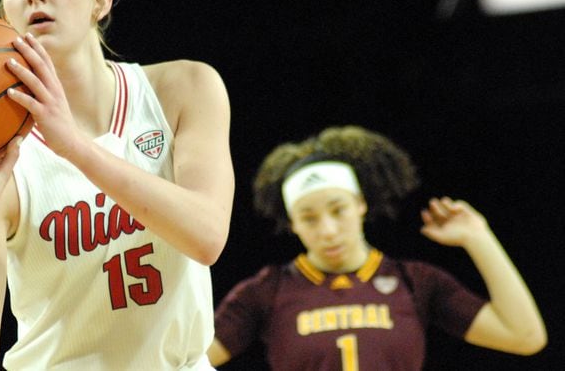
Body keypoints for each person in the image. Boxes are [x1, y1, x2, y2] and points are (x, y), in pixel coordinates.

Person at [0, 0, 234, 370]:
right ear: (5, 17)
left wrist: (75, 147)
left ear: (100, 1)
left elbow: (206, 237)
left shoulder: (184, 88)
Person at [207, 126, 546, 370]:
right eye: (308, 218)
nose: (327, 230)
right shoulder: (266, 292)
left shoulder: (415, 281)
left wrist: (479, 238)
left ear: (361, 204)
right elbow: (181, 362)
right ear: (292, 223)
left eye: (338, 210)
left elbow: (525, 336)